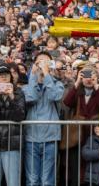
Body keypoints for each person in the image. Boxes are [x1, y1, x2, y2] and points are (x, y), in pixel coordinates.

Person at [22, 53, 64, 186]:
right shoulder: (26, 86)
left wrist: (46, 74)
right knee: (32, 180)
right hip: (31, 137)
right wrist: (32, 76)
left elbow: (54, 96)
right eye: (40, 62)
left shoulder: (58, 84)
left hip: (50, 137)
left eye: (46, 62)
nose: (42, 65)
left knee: (47, 180)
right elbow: (31, 97)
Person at [0, 63, 26, 186]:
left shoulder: (18, 92)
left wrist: (12, 97)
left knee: (13, 182)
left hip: (12, 143)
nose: (3, 77)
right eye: (0, 75)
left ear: (10, 77)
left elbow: (20, 116)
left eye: (6, 74)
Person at [79, 122, 99, 186]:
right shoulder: (92, 139)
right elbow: (85, 153)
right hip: (93, 178)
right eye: (95, 126)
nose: (96, 128)